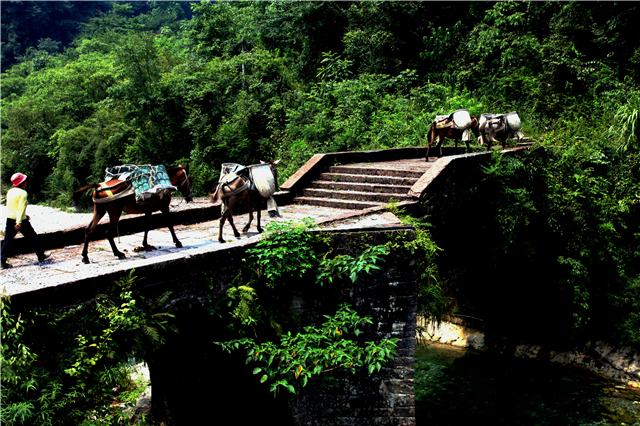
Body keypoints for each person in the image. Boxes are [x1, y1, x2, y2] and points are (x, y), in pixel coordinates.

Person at [1, 173, 50, 269]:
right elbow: (20, 208)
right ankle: (41, 256)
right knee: (33, 238)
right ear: (22, 182)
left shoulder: (10, 191)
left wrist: (23, 215)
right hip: (20, 221)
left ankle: (2, 261)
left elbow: (12, 206)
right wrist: (19, 221)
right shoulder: (23, 193)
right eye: (25, 180)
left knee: (7, 241)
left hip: (10, 218)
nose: (26, 181)